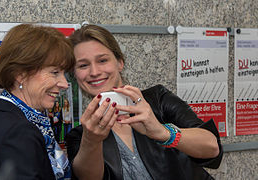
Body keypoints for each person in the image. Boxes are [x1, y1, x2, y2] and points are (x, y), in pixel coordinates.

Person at [65, 24, 223, 180]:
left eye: (102, 60)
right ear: (75, 74)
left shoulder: (157, 99)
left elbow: (212, 147)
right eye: (83, 65)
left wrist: (161, 132)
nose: (94, 72)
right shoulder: (80, 134)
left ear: (120, 62)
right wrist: (91, 140)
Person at [0, 24, 75, 180]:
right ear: (20, 74)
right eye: (55, 72)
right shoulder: (19, 133)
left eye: (64, 73)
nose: (64, 83)